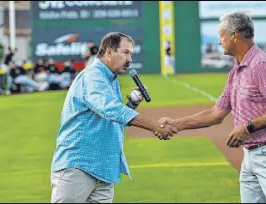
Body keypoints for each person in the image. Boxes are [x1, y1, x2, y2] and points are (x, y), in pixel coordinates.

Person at [157, 12, 266, 203]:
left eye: (221, 35)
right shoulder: (236, 71)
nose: (219, 41)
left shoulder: (262, 65)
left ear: (235, 35)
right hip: (250, 156)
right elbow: (216, 114)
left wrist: (248, 127)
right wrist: (175, 124)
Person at [50, 32, 177, 203]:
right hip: (79, 166)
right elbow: (111, 109)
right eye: (126, 53)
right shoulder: (92, 76)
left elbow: (113, 122)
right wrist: (155, 126)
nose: (129, 59)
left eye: (131, 53)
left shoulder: (111, 80)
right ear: (109, 52)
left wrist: (131, 103)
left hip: (104, 170)